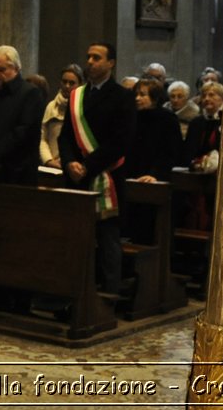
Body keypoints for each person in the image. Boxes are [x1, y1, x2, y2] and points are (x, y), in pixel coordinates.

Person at [59, 42, 134, 296]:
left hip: (107, 175)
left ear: (111, 63)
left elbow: (120, 141)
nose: (90, 62)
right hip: (76, 177)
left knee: (107, 238)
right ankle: (75, 289)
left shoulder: (122, 96)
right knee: (76, 237)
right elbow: (65, 137)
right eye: (88, 57)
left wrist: (87, 165)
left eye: (97, 58)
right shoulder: (77, 96)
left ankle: (109, 294)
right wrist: (69, 161)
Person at [0, 44, 43, 184]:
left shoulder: (30, 93)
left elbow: (22, 131)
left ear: (16, 68)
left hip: (16, 172)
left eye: (1, 70)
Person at [125, 78, 180, 182]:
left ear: (155, 98)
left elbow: (170, 153)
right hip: (130, 176)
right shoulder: (131, 117)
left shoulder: (167, 119)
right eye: (136, 94)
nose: (137, 98)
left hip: (156, 178)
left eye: (142, 95)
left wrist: (155, 174)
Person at [40, 65, 83, 169]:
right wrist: (48, 160)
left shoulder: (83, 107)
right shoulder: (51, 106)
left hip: (75, 166)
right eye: (64, 82)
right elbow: (42, 138)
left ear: (80, 85)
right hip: (51, 166)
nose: (67, 86)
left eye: (72, 83)